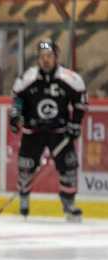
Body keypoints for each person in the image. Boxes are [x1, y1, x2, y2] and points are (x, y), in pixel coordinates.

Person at [9, 39, 88, 222]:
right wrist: (15, 118)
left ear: (56, 57)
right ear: (38, 58)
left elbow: (80, 103)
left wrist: (75, 124)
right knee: (26, 167)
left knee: (68, 167)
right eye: (42, 56)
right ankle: (24, 200)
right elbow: (17, 101)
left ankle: (68, 203)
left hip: (59, 131)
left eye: (49, 56)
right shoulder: (27, 78)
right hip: (33, 131)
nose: (46, 60)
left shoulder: (69, 78)